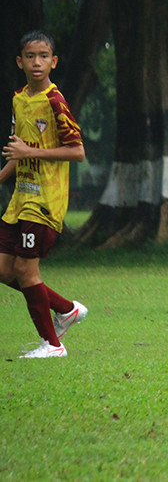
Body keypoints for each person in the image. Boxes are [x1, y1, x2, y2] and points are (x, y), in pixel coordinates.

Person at [0, 30, 88, 358]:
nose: (37, 63)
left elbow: (77, 151)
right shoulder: (19, 99)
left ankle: (52, 345)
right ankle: (66, 309)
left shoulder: (55, 101)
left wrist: (30, 154)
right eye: (30, 56)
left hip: (46, 201)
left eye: (43, 56)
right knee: (3, 269)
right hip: (20, 200)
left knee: (25, 271)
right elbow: (17, 152)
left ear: (54, 62)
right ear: (19, 61)